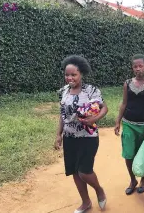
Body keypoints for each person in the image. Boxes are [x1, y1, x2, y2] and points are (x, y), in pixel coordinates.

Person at [54, 55, 107, 213]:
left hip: (88, 137)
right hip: (70, 138)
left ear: (81, 74)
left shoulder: (91, 90)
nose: (69, 78)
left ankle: (99, 189)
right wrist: (58, 135)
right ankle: (86, 202)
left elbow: (104, 108)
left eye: (73, 75)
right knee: (74, 172)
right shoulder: (63, 92)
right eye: (67, 75)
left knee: (84, 171)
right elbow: (62, 115)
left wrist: (94, 118)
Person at [114, 54, 144, 195]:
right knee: (128, 154)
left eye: (140, 66)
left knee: (142, 154)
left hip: (143, 124)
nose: (138, 69)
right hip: (128, 124)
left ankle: (143, 179)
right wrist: (118, 120)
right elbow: (124, 103)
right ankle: (133, 180)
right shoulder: (127, 83)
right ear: (132, 68)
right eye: (135, 66)